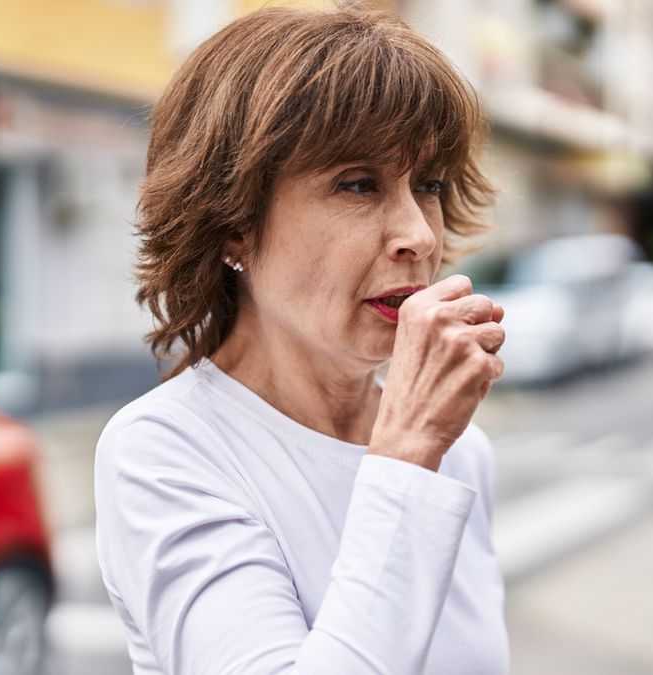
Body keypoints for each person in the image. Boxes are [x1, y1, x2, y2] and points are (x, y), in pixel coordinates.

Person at [94, 6, 508, 674]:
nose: (420, 235)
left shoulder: (462, 452)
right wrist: (405, 455)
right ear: (235, 224)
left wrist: (421, 446)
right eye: (357, 184)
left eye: (426, 185)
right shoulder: (164, 451)